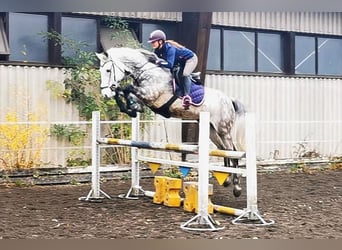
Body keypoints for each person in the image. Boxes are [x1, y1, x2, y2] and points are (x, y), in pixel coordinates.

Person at [147, 29, 198, 109]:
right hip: (180, 62)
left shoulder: (170, 49)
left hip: (190, 59)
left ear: (160, 41)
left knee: (185, 74)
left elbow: (169, 65)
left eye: (154, 42)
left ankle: (187, 96)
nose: (152, 44)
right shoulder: (157, 50)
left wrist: (157, 61)